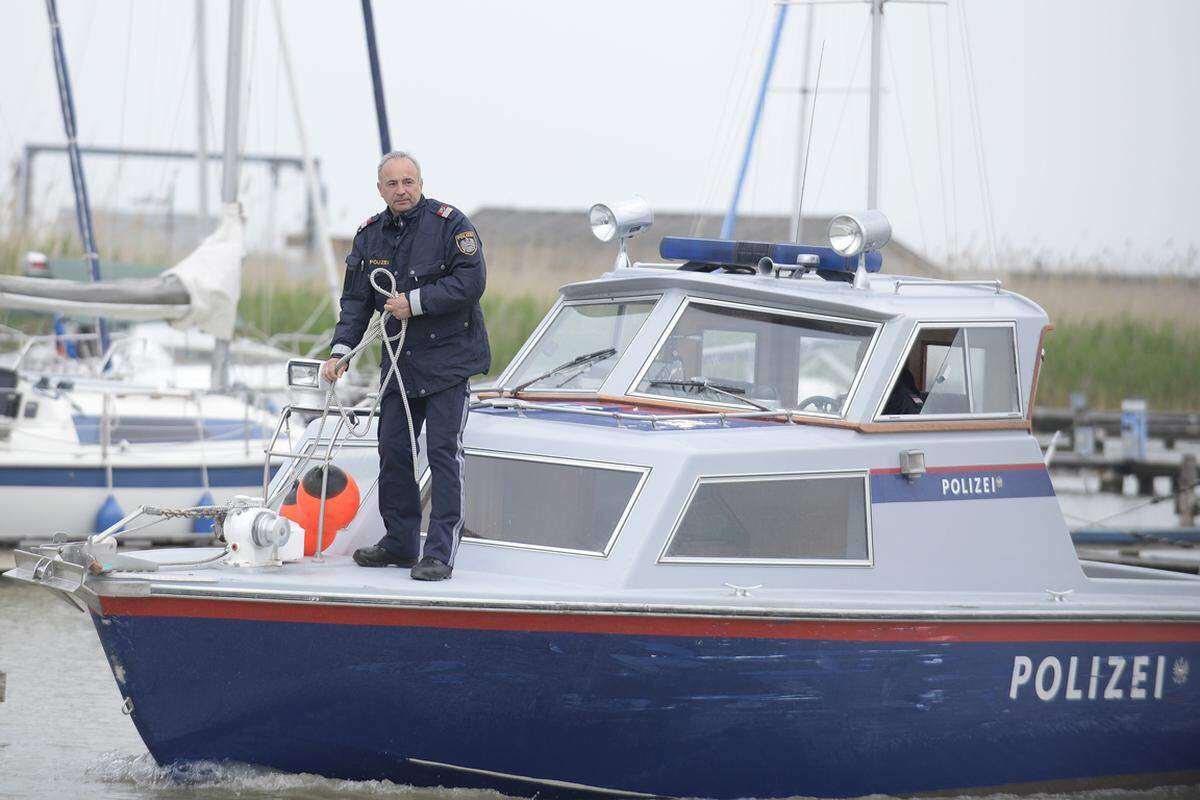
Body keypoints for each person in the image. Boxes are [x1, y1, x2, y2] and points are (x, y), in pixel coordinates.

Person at [321, 151, 489, 581]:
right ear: (381, 190)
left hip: (449, 362)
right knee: (393, 451)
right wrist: (341, 351)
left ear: (420, 183)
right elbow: (356, 303)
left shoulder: (451, 225)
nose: (401, 190)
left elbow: (471, 282)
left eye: (408, 182)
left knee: (442, 454)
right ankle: (399, 542)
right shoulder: (369, 236)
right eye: (392, 184)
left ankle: (439, 552)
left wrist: (413, 303)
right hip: (399, 364)